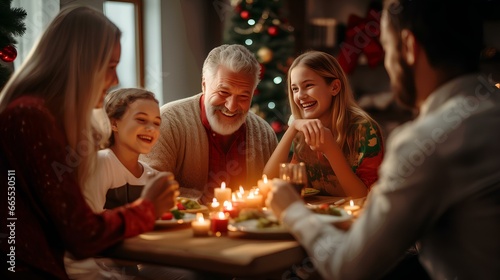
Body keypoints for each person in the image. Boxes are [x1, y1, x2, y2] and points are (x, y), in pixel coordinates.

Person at [266, 0, 500, 279]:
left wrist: (292, 211)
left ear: (409, 46)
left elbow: (348, 267)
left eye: (387, 50)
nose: (388, 65)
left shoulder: (426, 142)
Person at [0, 6, 178, 279]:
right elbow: (80, 233)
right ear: (79, 64)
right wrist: (148, 208)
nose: (115, 80)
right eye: (110, 67)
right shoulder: (31, 117)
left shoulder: (44, 117)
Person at [66, 88, 200, 279]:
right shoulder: (101, 163)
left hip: (135, 264)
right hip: (98, 266)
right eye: (141, 120)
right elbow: (88, 228)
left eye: (156, 123)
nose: (151, 128)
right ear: (114, 123)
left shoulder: (151, 175)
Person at [141, 44, 278, 204]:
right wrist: (196, 199)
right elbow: (148, 187)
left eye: (243, 97)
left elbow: (275, 194)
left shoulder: (264, 133)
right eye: (223, 92)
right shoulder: (168, 122)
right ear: (204, 85)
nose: (231, 106)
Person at [263, 51, 384, 198]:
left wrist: (330, 149)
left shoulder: (364, 129)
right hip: (315, 216)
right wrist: (293, 128)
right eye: (295, 89)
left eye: (308, 85)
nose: (300, 96)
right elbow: (267, 181)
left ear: (334, 87)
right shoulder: (303, 131)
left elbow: (363, 196)